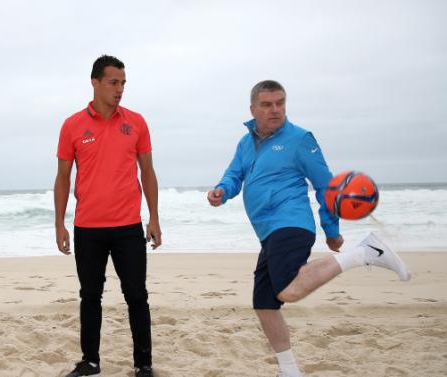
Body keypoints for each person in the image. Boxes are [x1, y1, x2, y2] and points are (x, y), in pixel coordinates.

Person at [207, 80, 410, 377]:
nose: (275, 110)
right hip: (268, 232)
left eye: (280, 103)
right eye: (267, 104)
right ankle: (289, 371)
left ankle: (365, 252)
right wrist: (221, 192)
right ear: (253, 109)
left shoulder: (300, 139)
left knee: (287, 290)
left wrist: (331, 228)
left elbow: (326, 185)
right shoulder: (245, 142)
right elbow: (234, 175)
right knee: (264, 304)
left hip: (291, 222)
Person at [54, 55, 161, 377]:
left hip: (128, 225)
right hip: (88, 227)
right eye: (114, 83)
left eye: (123, 83)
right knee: (90, 296)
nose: (120, 89)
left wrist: (153, 217)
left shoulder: (137, 122)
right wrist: (59, 223)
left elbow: (148, 172)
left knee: (136, 295)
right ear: (95, 82)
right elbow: (62, 178)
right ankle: (90, 360)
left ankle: (144, 364)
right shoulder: (72, 125)